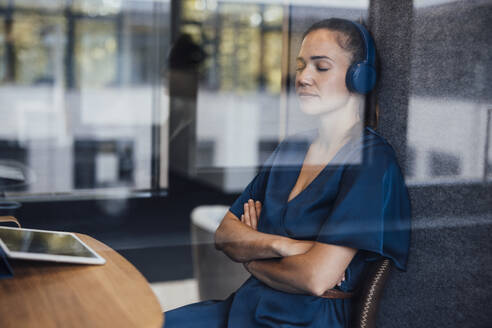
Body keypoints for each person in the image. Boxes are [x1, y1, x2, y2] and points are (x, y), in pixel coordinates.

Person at [164, 18, 411, 327]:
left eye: (321, 67)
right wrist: (284, 246)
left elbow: (314, 278)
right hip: (249, 303)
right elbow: (225, 234)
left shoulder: (372, 161)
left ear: (359, 77)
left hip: (305, 319)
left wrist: (252, 255)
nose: (304, 77)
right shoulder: (293, 148)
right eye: (300, 66)